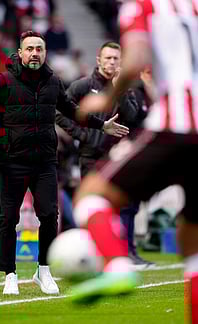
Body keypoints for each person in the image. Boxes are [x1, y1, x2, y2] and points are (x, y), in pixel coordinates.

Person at [71, 2, 198, 324]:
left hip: (174, 127)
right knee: (195, 246)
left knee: (90, 194)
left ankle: (117, 265)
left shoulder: (146, 6)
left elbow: (135, 58)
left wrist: (107, 99)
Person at [0, 31, 129, 296]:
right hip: (11, 162)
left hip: (45, 162)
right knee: (8, 219)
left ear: (45, 54)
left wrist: (103, 125)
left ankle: (43, 270)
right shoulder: (3, 81)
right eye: (29, 49)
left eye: (39, 49)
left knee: (49, 216)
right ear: (20, 53)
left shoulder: (53, 82)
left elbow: (71, 111)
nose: (34, 53)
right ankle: (10, 274)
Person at [55, 41, 153, 266]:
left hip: (118, 157)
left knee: (124, 206)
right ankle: (93, 254)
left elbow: (132, 116)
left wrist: (119, 92)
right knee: (92, 205)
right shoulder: (82, 86)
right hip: (91, 155)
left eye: (116, 59)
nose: (111, 62)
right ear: (98, 60)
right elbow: (59, 113)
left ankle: (124, 252)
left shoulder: (125, 87)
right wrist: (83, 135)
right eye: (107, 58)